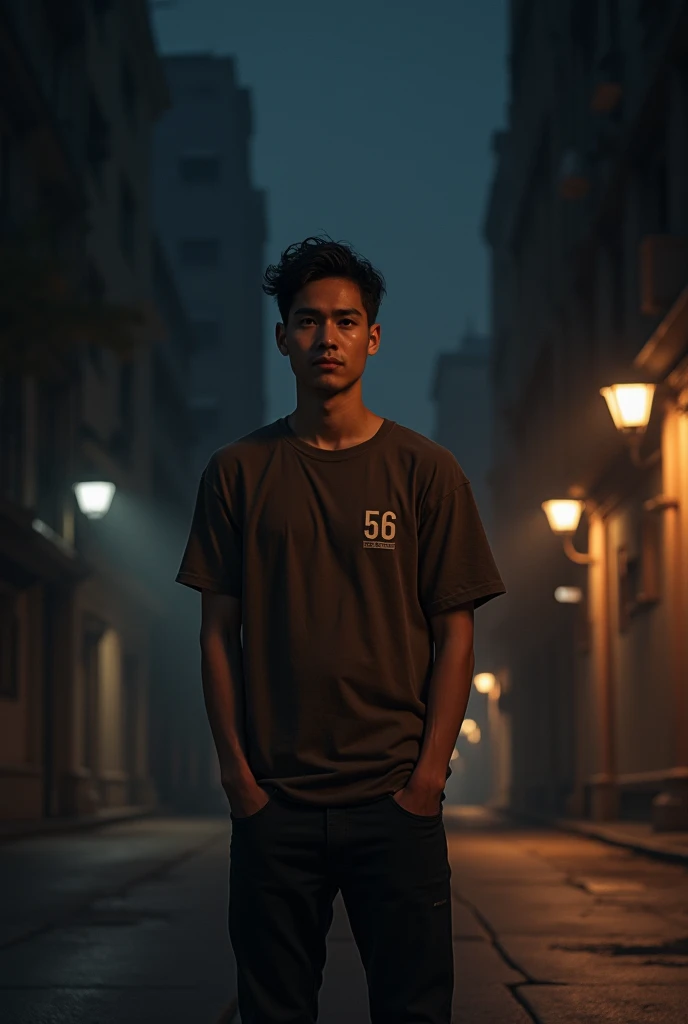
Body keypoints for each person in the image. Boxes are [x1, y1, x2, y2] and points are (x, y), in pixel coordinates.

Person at [176, 236, 505, 1024]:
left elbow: (453, 633)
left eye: (346, 321)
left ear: (373, 337)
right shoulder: (238, 471)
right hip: (274, 804)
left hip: (394, 801)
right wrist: (237, 777)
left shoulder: (427, 471)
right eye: (308, 321)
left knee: (414, 1010)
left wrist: (427, 780)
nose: (327, 337)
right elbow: (217, 633)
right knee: (275, 1010)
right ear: (282, 336)